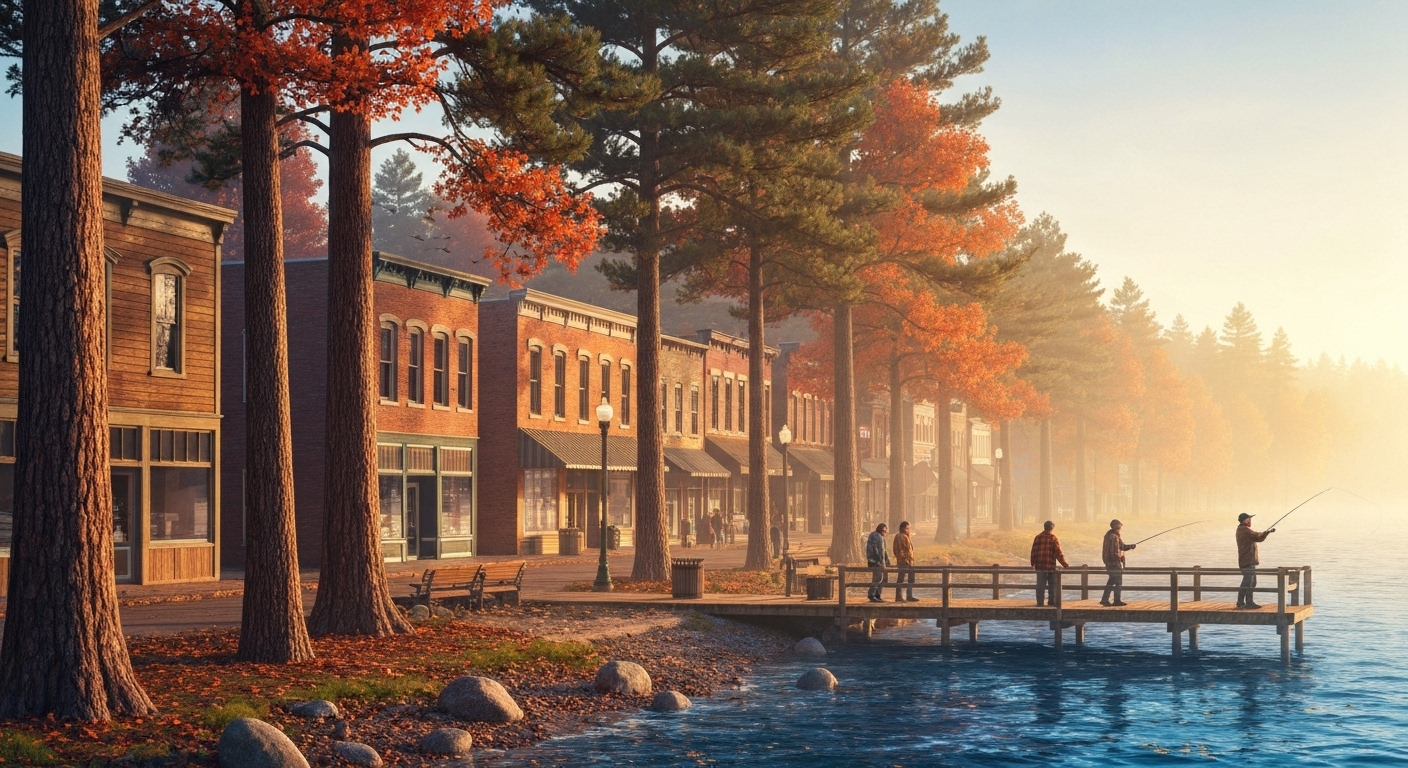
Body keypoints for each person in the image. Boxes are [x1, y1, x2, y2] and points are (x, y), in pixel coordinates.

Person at [1236, 513, 1275, 609]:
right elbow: (1257, 536)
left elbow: (1258, 537)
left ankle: (1248, 602)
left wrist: (1266, 533)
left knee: (1252, 582)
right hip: (1247, 561)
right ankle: (1241, 602)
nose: (1250, 521)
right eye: (1249, 519)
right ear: (1244, 520)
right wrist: (1266, 533)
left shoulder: (1242, 530)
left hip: (1248, 561)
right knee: (1247, 582)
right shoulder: (1244, 530)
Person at [1030, 520, 1069, 607]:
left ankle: (1040, 602)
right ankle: (1052, 602)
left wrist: (1033, 563)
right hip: (1050, 566)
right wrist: (1065, 564)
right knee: (1052, 585)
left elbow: (1034, 551)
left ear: (1044, 527)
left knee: (1040, 586)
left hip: (1040, 566)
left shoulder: (1038, 537)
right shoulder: (1053, 538)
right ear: (1052, 528)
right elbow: (1058, 553)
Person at [1100, 519, 1136, 606]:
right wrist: (1119, 559)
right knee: (1118, 582)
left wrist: (1130, 546)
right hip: (1114, 563)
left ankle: (1105, 600)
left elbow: (1122, 547)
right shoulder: (1113, 537)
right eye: (1120, 526)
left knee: (1112, 581)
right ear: (1117, 526)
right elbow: (1115, 551)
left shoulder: (1109, 535)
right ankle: (1116, 601)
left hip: (1109, 563)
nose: (1120, 528)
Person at [893, 521, 918, 602]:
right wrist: (906, 560)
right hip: (904, 562)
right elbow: (901, 550)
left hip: (909, 562)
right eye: (907, 528)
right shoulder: (900, 536)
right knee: (901, 578)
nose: (909, 530)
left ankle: (909, 595)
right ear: (903, 528)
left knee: (911, 578)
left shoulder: (906, 536)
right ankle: (899, 596)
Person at [866, 523, 891, 603]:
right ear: (881, 530)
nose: (885, 533)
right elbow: (881, 551)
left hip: (872, 561)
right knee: (879, 578)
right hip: (877, 562)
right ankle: (872, 594)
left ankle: (876, 594)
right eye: (884, 531)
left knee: (878, 578)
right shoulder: (879, 537)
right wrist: (883, 562)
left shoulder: (872, 535)